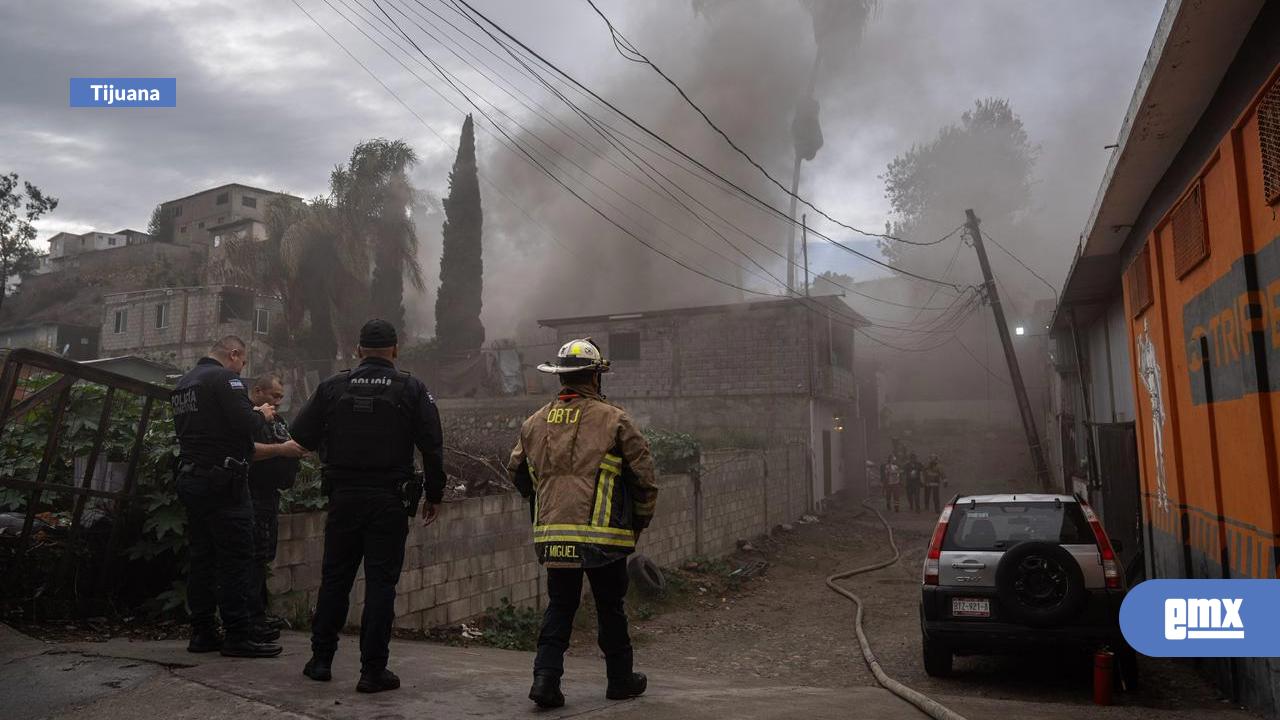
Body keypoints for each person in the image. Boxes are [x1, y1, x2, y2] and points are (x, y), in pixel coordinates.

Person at [291, 319, 446, 694]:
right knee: (381, 585)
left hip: (343, 498)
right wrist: (435, 495)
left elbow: (300, 434)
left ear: (358, 351)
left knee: (335, 580)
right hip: (389, 500)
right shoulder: (412, 388)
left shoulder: (332, 387)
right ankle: (372, 671)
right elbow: (432, 447)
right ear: (395, 350)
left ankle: (320, 661)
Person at [507, 338, 658, 709]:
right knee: (610, 607)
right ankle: (620, 680)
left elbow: (517, 471)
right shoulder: (615, 419)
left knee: (559, 606)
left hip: (552, 533)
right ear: (594, 376)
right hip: (603, 537)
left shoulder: (533, 422)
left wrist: (543, 503)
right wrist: (639, 522)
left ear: (561, 377)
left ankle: (545, 681)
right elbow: (644, 478)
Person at [171, 336, 303, 658]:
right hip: (223, 482)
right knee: (237, 558)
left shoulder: (184, 383)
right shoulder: (224, 377)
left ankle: (202, 632)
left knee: (202, 558)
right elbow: (245, 422)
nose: (242, 368)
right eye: (243, 362)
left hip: (191, 477)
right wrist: (263, 416)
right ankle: (238, 635)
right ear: (233, 355)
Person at [247, 372, 302, 633]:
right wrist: (283, 450)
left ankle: (260, 614)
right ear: (258, 392)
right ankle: (252, 619)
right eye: (274, 395)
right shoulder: (249, 419)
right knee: (253, 557)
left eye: (281, 396)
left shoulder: (276, 420)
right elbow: (246, 450)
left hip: (271, 494)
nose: (278, 401)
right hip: (252, 494)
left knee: (264, 555)